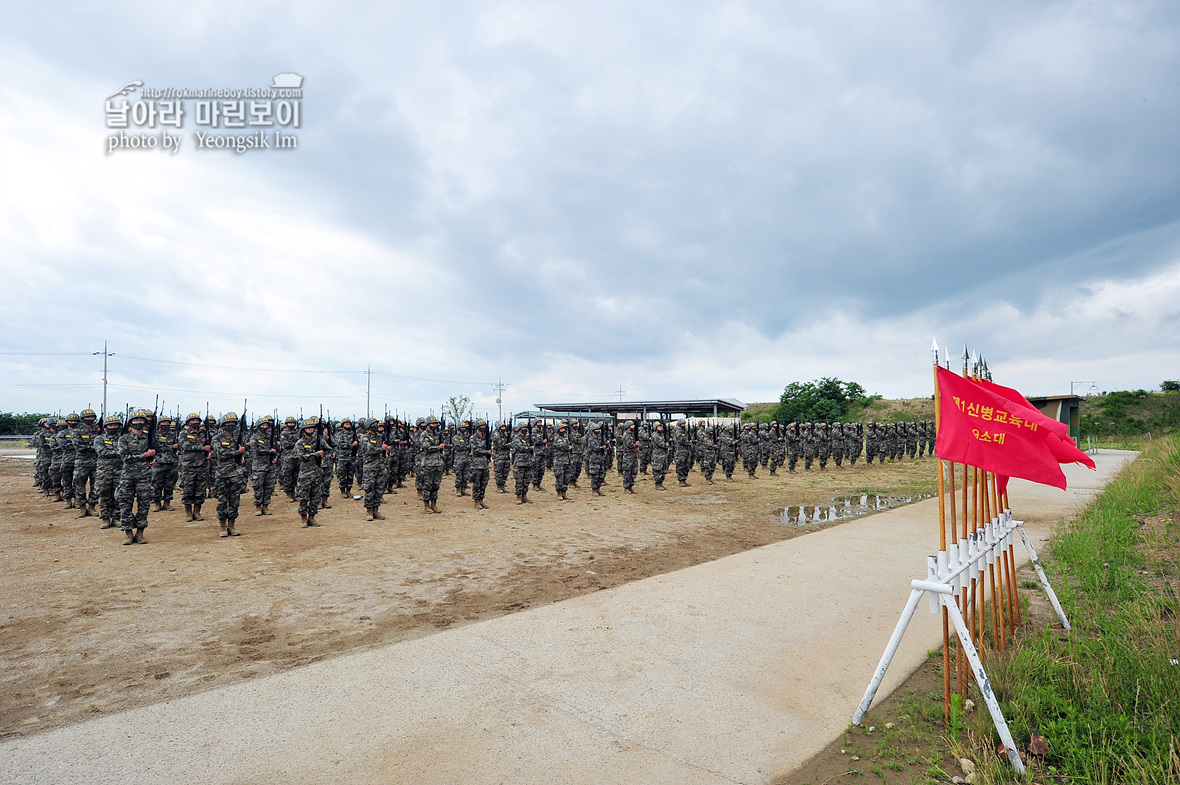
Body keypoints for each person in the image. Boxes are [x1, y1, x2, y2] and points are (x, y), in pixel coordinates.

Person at [116, 409, 155, 545]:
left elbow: (157, 452)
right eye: (136, 420)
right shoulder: (124, 439)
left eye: (141, 420)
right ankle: (128, 533)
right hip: (128, 476)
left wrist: (153, 459)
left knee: (144, 504)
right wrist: (145, 456)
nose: (139, 422)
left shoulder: (148, 438)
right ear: (130, 423)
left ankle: (140, 532)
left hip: (144, 476)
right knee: (125, 504)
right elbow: (125, 458)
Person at [212, 412, 247, 537]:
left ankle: (231, 525)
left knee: (234, 500)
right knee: (222, 501)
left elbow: (244, 452)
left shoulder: (237, 437)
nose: (231, 425)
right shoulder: (216, 438)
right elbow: (221, 453)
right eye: (228, 423)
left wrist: (242, 456)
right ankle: (222, 526)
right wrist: (238, 452)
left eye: (233, 423)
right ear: (223, 425)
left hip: (236, 474)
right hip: (222, 474)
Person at [294, 417, 325, 528]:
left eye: (312, 428)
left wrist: (324, 458)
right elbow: (302, 457)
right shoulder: (300, 443)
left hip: (317, 473)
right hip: (305, 474)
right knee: (304, 497)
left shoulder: (318, 441)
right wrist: (316, 454)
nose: (310, 430)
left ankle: (312, 517)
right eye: (308, 428)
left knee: (316, 497)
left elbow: (329, 449)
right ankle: (303, 518)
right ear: (303, 429)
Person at [178, 413, 210, 521]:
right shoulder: (183, 433)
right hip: (188, 466)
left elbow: (209, 446)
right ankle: (188, 512)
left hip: (202, 465)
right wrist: (202, 448)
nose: (195, 422)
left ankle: (197, 511)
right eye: (193, 421)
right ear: (188, 422)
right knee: (188, 489)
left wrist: (209, 452)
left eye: (197, 420)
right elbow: (185, 446)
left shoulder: (203, 434)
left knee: (200, 490)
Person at [95, 414, 124, 529]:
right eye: (110, 425)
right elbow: (102, 452)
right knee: (103, 495)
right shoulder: (99, 439)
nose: (113, 427)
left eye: (115, 425)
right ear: (106, 427)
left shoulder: (123, 439)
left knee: (118, 495)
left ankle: (116, 518)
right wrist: (119, 453)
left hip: (119, 471)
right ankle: (105, 518)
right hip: (104, 472)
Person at [72, 409, 100, 517]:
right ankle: (82, 508)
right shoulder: (77, 432)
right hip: (82, 463)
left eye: (91, 417)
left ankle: (92, 507)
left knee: (95, 486)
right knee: (79, 486)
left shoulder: (98, 431)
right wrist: (93, 447)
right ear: (82, 419)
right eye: (87, 418)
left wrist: (92, 448)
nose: (89, 419)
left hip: (96, 463)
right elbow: (79, 447)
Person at [360, 418, 389, 520]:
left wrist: (386, 453)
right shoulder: (364, 438)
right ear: (368, 426)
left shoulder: (380, 437)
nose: (376, 426)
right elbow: (369, 450)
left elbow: (384, 448)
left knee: (379, 490)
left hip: (380, 467)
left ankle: (376, 510)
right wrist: (382, 449)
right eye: (374, 424)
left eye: (377, 424)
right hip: (370, 468)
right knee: (369, 490)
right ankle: (369, 511)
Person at [249, 415, 279, 515]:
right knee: (258, 487)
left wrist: (276, 457)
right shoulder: (254, 437)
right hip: (259, 467)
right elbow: (257, 451)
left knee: (269, 487)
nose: (265, 427)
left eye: (267, 425)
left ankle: (266, 506)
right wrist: (270, 451)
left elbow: (277, 449)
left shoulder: (271, 436)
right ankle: (258, 506)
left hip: (270, 466)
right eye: (263, 425)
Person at [151, 415, 179, 510]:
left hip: (171, 462)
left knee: (169, 484)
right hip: (158, 462)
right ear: (159, 424)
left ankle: (167, 502)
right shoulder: (154, 435)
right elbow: (157, 447)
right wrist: (171, 447)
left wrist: (177, 450)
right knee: (157, 484)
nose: (165, 424)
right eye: (163, 422)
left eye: (167, 423)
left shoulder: (173, 434)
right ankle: (157, 503)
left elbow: (178, 446)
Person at [418, 416, 445, 513]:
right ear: (428, 424)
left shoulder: (437, 434)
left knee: (436, 485)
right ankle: (426, 505)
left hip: (437, 463)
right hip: (428, 464)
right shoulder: (424, 435)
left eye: (436, 424)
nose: (435, 425)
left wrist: (441, 450)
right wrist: (439, 447)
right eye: (433, 424)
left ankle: (434, 504)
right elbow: (426, 448)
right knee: (427, 485)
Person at [469, 419, 492, 509]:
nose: (483, 427)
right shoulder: (473, 437)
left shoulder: (486, 437)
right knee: (477, 483)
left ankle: (481, 499)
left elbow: (489, 447)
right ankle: (476, 501)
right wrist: (486, 452)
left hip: (485, 464)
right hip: (477, 464)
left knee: (484, 482)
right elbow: (475, 450)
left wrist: (488, 456)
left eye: (484, 426)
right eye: (481, 426)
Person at [334, 417, 358, 497]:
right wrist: (351, 445)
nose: (348, 426)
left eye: (349, 424)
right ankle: (342, 491)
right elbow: (339, 444)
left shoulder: (353, 433)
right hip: (342, 457)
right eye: (346, 424)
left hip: (352, 457)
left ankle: (348, 490)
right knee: (342, 475)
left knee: (350, 475)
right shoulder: (339, 434)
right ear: (343, 425)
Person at [551, 420, 574, 499]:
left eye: (564, 429)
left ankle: (564, 492)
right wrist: (571, 447)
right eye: (561, 429)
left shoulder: (565, 437)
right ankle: (559, 493)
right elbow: (564, 447)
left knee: (567, 477)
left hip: (567, 460)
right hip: (559, 461)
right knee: (560, 478)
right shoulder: (556, 437)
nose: (563, 430)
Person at [511, 422, 533, 503]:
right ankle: (518, 496)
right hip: (520, 463)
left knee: (526, 480)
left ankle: (524, 496)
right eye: (523, 428)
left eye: (525, 427)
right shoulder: (516, 438)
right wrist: (530, 448)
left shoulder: (527, 438)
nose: (525, 429)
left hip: (528, 462)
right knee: (519, 481)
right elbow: (521, 448)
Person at [585, 422, 608, 495]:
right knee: (595, 475)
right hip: (594, 459)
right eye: (596, 429)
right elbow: (595, 448)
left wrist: (605, 446)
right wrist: (602, 447)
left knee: (601, 474)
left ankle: (598, 488)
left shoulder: (600, 438)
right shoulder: (591, 439)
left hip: (600, 458)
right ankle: (594, 490)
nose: (598, 431)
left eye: (599, 429)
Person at [452, 420, 472, 497]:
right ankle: (458, 489)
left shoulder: (467, 437)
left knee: (465, 474)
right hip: (459, 459)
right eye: (462, 427)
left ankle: (463, 489)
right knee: (459, 474)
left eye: (465, 427)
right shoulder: (455, 437)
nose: (464, 429)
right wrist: (467, 447)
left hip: (466, 458)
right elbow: (458, 446)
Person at [492, 422, 512, 493]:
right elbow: (501, 445)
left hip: (506, 455)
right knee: (499, 471)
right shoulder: (496, 434)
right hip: (499, 455)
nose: (504, 428)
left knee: (506, 471)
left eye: (504, 427)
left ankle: (503, 485)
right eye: (502, 427)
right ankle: (499, 486)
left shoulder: (505, 434)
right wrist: (509, 445)